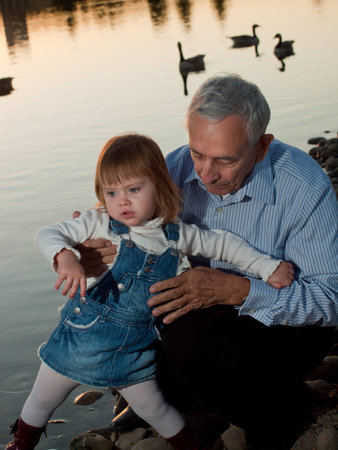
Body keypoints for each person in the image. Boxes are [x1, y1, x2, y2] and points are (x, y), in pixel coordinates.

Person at [79, 75, 338, 449]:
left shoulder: (305, 187)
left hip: (283, 321)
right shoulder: (177, 167)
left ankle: (286, 409)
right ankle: (190, 396)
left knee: (189, 347)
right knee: (108, 325)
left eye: (225, 159)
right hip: (199, 309)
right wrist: (91, 246)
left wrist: (240, 290)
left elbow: (330, 301)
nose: (205, 172)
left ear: (262, 147)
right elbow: (124, 211)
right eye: (198, 152)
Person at [6, 133, 295, 450]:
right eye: (111, 192)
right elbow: (47, 233)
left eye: (133, 189)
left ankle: (191, 443)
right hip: (79, 341)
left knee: (155, 408)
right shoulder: (98, 223)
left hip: (133, 351)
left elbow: (224, 244)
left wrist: (266, 266)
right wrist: (65, 256)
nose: (122, 201)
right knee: (41, 402)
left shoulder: (175, 236)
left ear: (159, 184)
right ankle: (20, 443)